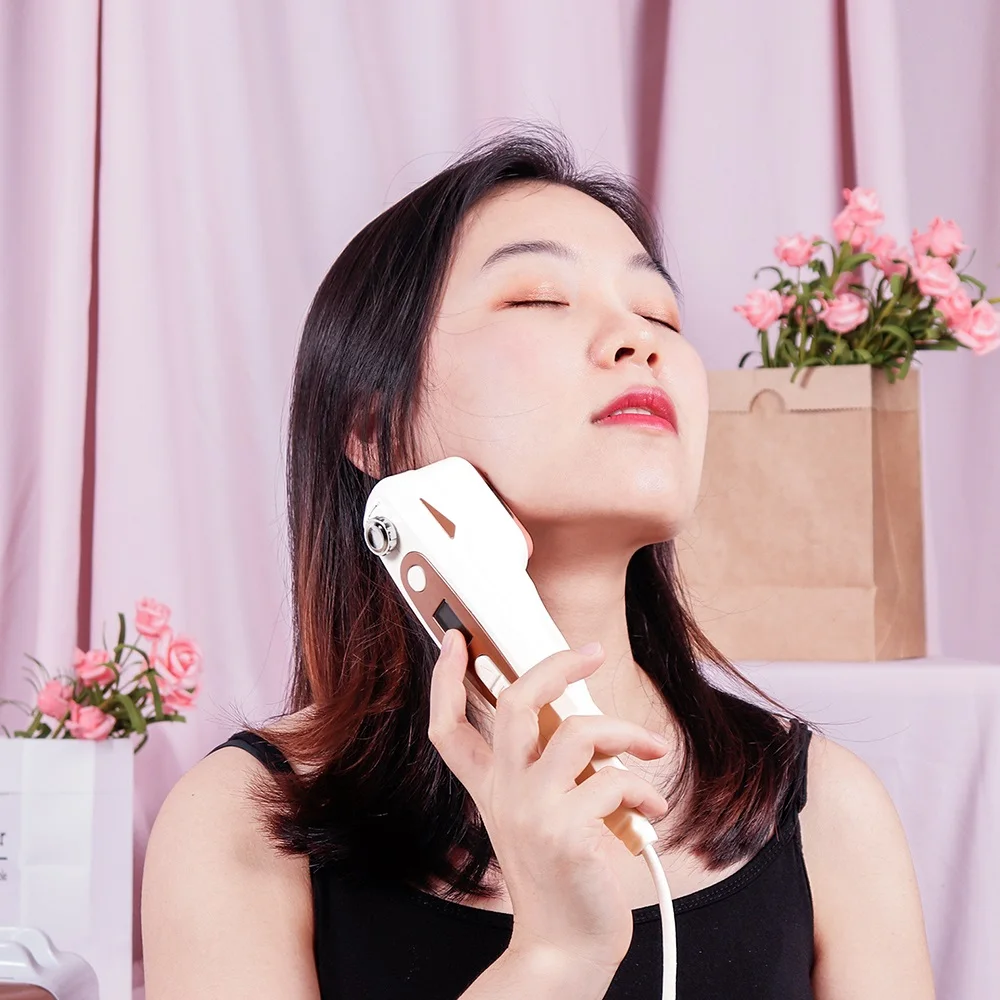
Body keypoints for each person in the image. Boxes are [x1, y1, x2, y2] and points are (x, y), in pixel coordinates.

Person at [141, 125, 935, 999]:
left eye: (661, 314)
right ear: (372, 428)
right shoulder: (244, 823)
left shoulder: (828, 810)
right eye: (539, 299)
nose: (639, 341)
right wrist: (554, 957)